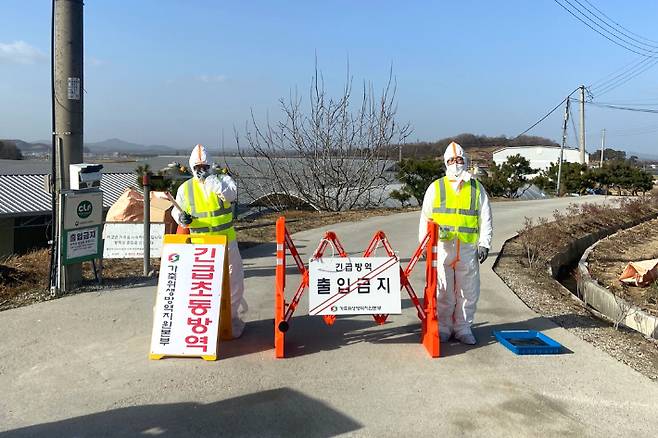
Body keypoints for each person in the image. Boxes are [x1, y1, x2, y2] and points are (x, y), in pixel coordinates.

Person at [418, 141, 492, 345]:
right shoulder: (436, 188)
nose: (455, 163)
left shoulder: (476, 188)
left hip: (467, 247)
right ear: (445, 163)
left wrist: (484, 242)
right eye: (451, 160)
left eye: (459, 159)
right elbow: (425, 218)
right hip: (442, 247)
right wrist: (424, 245)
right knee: (443, 290)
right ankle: (443, 328)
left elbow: (485, 216)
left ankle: (463, 327)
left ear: (465, 161)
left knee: (468, 290)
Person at [172, 144, 247, 338]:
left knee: (234, 282)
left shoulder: (223, 181)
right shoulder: (185, 188)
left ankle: (230, 320)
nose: (201, 171)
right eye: (197, 167)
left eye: (204, 166)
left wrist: (212, 180)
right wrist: (181, 219)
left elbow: (230, 195)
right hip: (200, 245)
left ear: (211, 165)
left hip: (226, 242)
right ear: (191, 167)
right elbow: (176, 210)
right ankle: (205, 323)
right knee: (202, 287)